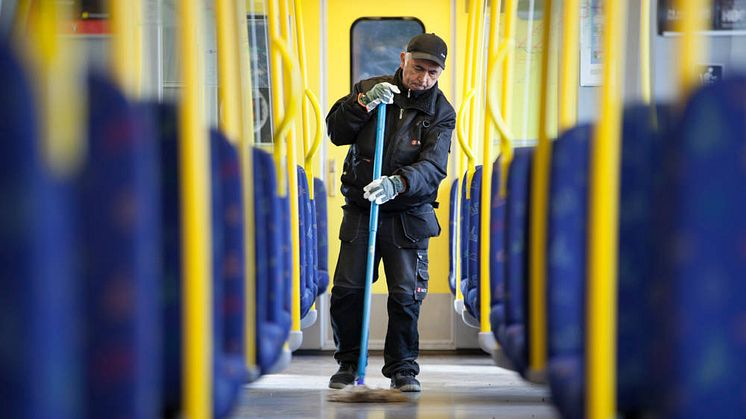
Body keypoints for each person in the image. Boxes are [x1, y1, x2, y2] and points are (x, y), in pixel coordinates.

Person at [325, 33, 456, 392]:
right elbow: (336, 132)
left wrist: (397, 183)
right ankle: (349, 363)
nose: (424, 78)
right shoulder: (369, 88)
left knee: (405, 295)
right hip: (361, 207)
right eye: (418, 68)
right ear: (403, 59)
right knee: (348, 291)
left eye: (433, 72)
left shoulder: (441, 112)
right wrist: (363, 103)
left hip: (408, 214)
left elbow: (433, 166)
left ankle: (403, 368)